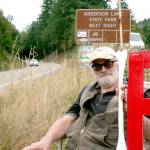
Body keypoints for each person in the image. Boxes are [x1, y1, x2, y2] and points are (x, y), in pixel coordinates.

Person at [23, 47, 149, 150]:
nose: (103, 70)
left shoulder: (139, 93)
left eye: (108, 64)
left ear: (118, 65)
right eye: (97, 66)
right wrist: (46, 140)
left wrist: (132, 110)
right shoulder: (88, 89)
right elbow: (69, 117)